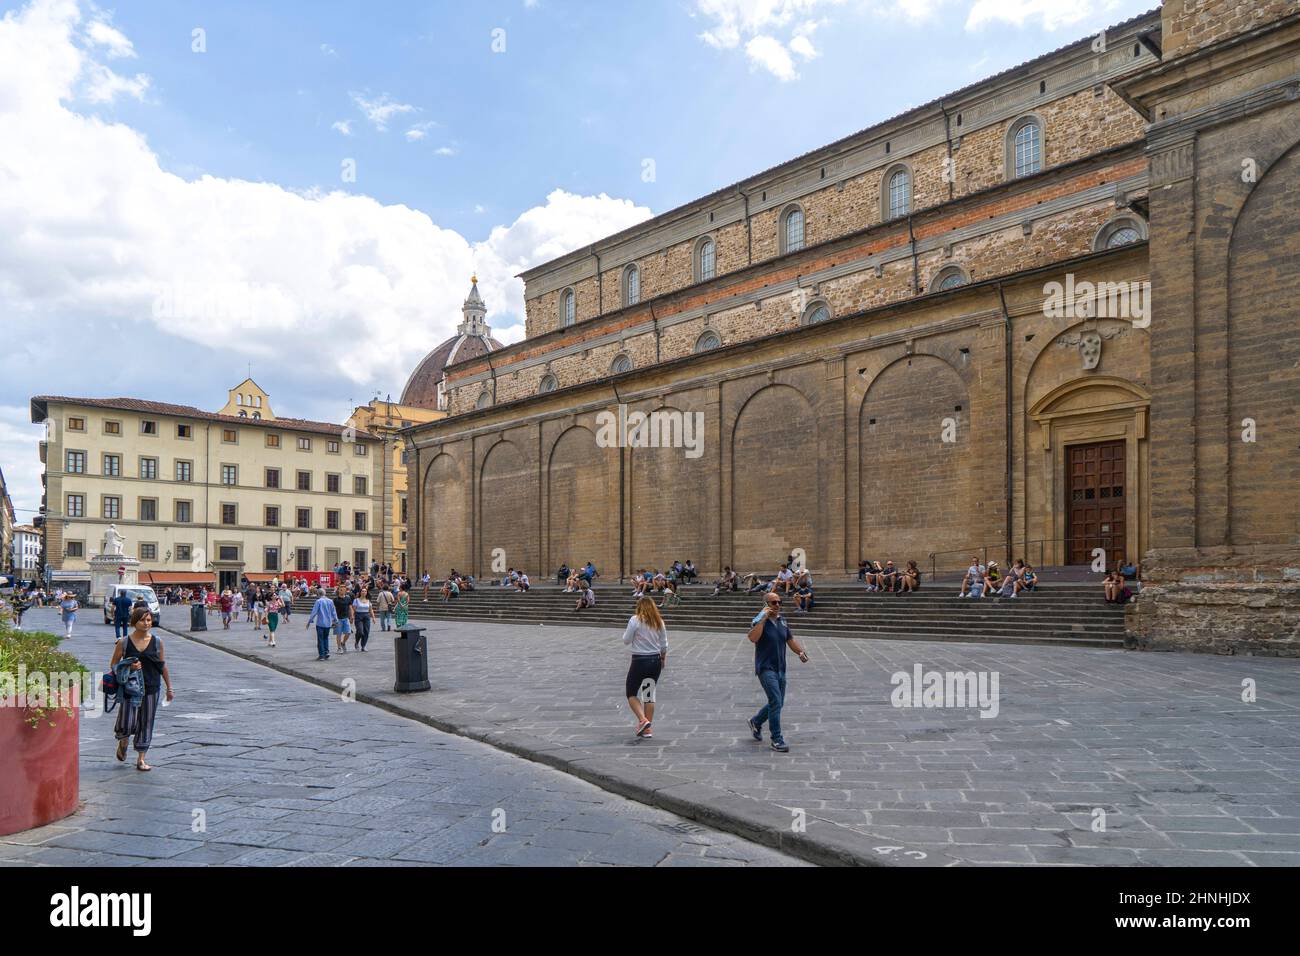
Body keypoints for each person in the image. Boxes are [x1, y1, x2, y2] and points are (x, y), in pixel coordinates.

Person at [109, 607, 174, 772]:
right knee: (127, 722)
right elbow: (114, 664)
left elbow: (162, 665)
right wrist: (129, 667)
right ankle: (123, 741)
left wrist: (169, 687)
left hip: (152, 687)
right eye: (143, 620)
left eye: (149, 620)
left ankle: (141, 758)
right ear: (134, 622)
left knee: (146, 722)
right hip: (130, 688)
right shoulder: (124, 642)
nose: (146, 623)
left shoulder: (157, 642)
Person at [745, 591, 809, 753]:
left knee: (778, 702)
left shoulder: (782, 621)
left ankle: (756, 721)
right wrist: (763, 618)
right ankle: (777, 739)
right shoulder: (759, 621)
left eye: (779, 602)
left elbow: (789, 639)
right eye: (774, 602)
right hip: (766, 668)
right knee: (775, 700)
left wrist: (800, 652)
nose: (778, 605)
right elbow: (753, 638)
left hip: (781, 668)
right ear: (766, 605)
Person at [621, 597, 669, 739]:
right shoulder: (658, 621)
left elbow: (626, 640)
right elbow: (664, 645)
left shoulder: (635, 620)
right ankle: (647, 730)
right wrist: (663, 658)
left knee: (631, 692)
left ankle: (643, 720)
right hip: (655, 661)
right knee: (649, 694)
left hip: (639, 660)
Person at [306, 589, 339, 661]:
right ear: (325, 593)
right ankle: (326, 652)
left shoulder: (318, 601)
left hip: (320, 623)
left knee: (320, 639)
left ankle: (321, 655)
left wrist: (309, 621)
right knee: (326, 638)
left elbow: (314, 612)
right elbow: (334, 612)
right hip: (328, 623)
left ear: (318, 594)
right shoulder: (330, 601)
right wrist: (335, 620)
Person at [351, 588, 374, 652]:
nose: (364, 592)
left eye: (365, 591)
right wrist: (352, 616)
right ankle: (357, 641)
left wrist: (373, 618)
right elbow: (353, 609)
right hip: (358, 616)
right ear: (360, 592)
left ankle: (363, 646)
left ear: (367, 593)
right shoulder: (356, 600)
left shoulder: (368, 601)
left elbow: (371, 610)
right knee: (360, 631)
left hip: (366, 616)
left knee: (366, 631)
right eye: (362, 591)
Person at [332, 587, 353, 652]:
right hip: (338, 619)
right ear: (338, 591)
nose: (342, 591)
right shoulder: (335, 599)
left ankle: (343, 643)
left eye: (344, 590)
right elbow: (333, 609)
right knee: (339, 634)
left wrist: (352, 616)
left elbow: (350, 607)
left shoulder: (348, 598)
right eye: (341, 590)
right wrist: (333, 619)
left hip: (346, 618)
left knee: (348, 632)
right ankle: (339, 648)